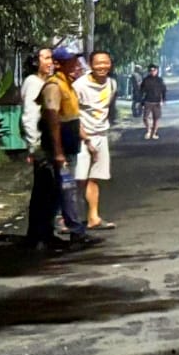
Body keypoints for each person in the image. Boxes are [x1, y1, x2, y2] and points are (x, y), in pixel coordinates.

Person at [41, 48, 101, 247]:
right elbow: (53, 120)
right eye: (71, 62)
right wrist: (58, 152)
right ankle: (75, 231)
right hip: (60, 150)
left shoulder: (68, 85)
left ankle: (49, 233)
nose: (76, 66)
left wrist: (86, 140)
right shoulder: (54, 86)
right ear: (58, 64)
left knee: (60, 191)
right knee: (67, 190)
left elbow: (73, 118)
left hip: (69, 147)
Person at [74, 50, 117, 230]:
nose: (102, 66)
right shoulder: (79, 86)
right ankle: (68, 219)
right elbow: (72, 115)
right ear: (91, 65)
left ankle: (93, 217)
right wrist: (86, 140)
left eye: (105, 62)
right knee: (79, 179)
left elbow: (107, 108)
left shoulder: (112, 84)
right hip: (82, 137)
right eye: (98, 63)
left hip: (101, 135)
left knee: (94, 178)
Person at [21, 48, 58, 248]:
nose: (50, 61)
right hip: (41, 145)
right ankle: (36, 235)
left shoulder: (48, 82)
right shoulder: (33, 83)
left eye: (51, 57)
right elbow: (29, 116)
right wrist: (33, 145)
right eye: (46, 58)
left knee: (51, 190)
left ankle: (46, 232)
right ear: (36, 62)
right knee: (42, 190)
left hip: (50, 143)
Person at [138, 64, 167, 138]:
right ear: (149, 71)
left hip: (157, 102)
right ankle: (148, 130)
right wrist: (141, 101)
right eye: (151, 70)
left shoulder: (159, 80)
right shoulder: (146, 80)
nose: (152, 72)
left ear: (156, 71)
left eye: (154, 70)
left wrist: (163, 100)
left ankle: (154, 133)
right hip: (148, 101)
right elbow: (141, 90)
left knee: (156, 118)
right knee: (145, 118)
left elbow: (163, 90)